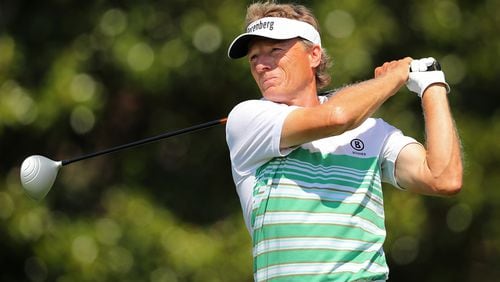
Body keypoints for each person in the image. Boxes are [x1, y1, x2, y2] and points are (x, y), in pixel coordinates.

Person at [225, 1, 463, 281]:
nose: (262, 65)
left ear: (313, 55)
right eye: (254, 57)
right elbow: (337, 117)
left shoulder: (372, 131)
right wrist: (395, 78)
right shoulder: (249, 118)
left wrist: (431, 85)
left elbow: (443, 178)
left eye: (275, 51)